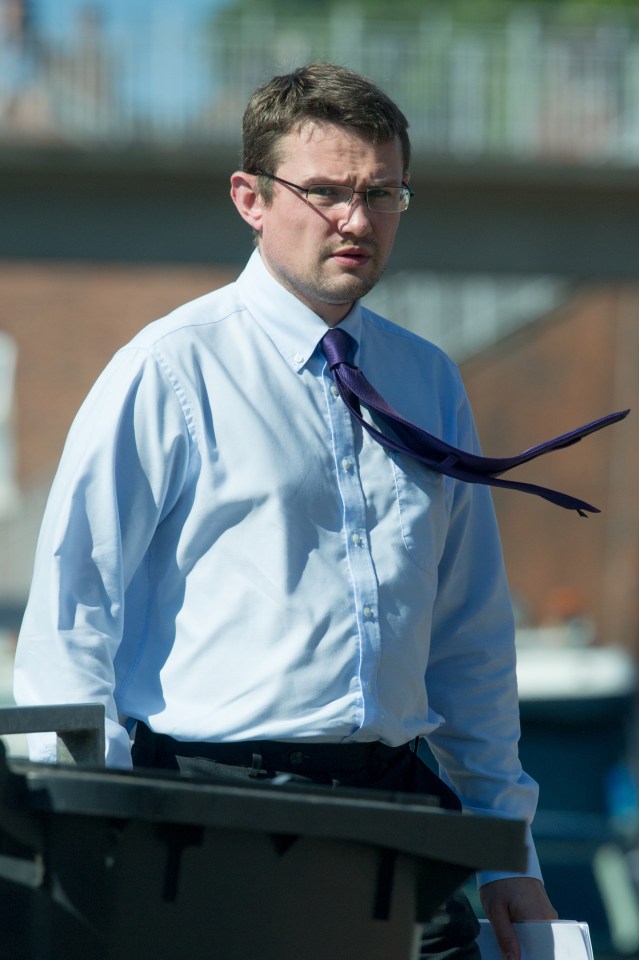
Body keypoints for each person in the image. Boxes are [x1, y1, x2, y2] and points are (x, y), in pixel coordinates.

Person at [15, 63, 558, 959]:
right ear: (250, 198)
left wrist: (509, 855)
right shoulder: (170, 371)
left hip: (395, 817)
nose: (356, 218)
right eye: (327, 191)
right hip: (211, 817)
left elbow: (467, 640)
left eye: (381, 191)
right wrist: (89, 854)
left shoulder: (427, 379)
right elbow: (73, 626)